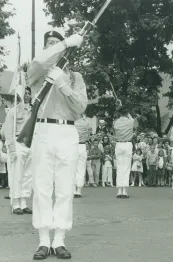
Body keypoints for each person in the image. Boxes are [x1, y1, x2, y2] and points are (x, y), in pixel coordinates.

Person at [27, 30, 87, 259]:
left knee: (64, 189)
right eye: (50, 43)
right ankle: (43, 240)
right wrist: (65, 42)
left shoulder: (76, 77)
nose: (55, 47)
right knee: (41, 188)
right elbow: (41, 59)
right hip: (43, 129)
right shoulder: (37, 71)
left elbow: (81, 107)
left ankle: (59, 239)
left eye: (58, 43)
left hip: (67, 132)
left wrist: (63, 84)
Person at [2, 85, 32, 214]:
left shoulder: (34, 111)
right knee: (16, 174)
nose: (26, 95)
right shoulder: (13, 111)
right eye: (24, 93)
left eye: (28, 93)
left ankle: (24, 202)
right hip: (17, 142)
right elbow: (8, 131)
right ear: (19, 96)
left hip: (30, 143)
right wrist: (12, 148)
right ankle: (15, 203)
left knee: (28, 175)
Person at [113, 105, 136, 198]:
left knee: (119, 167)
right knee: (126, 167)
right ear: (127, 113)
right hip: (127, 144)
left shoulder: (115, 122)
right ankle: (124, 191)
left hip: (118, 144)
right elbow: (131, 117)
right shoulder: (130, 121)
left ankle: (119, 190)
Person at [74, 114, 91, 198]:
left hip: (73, 145)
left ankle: (74, 189)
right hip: (82, 145)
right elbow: (88, 131)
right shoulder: (86, 122)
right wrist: (84, 118)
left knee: (73, 169)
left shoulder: (73, 122)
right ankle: (79, 190)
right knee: (81, 168)